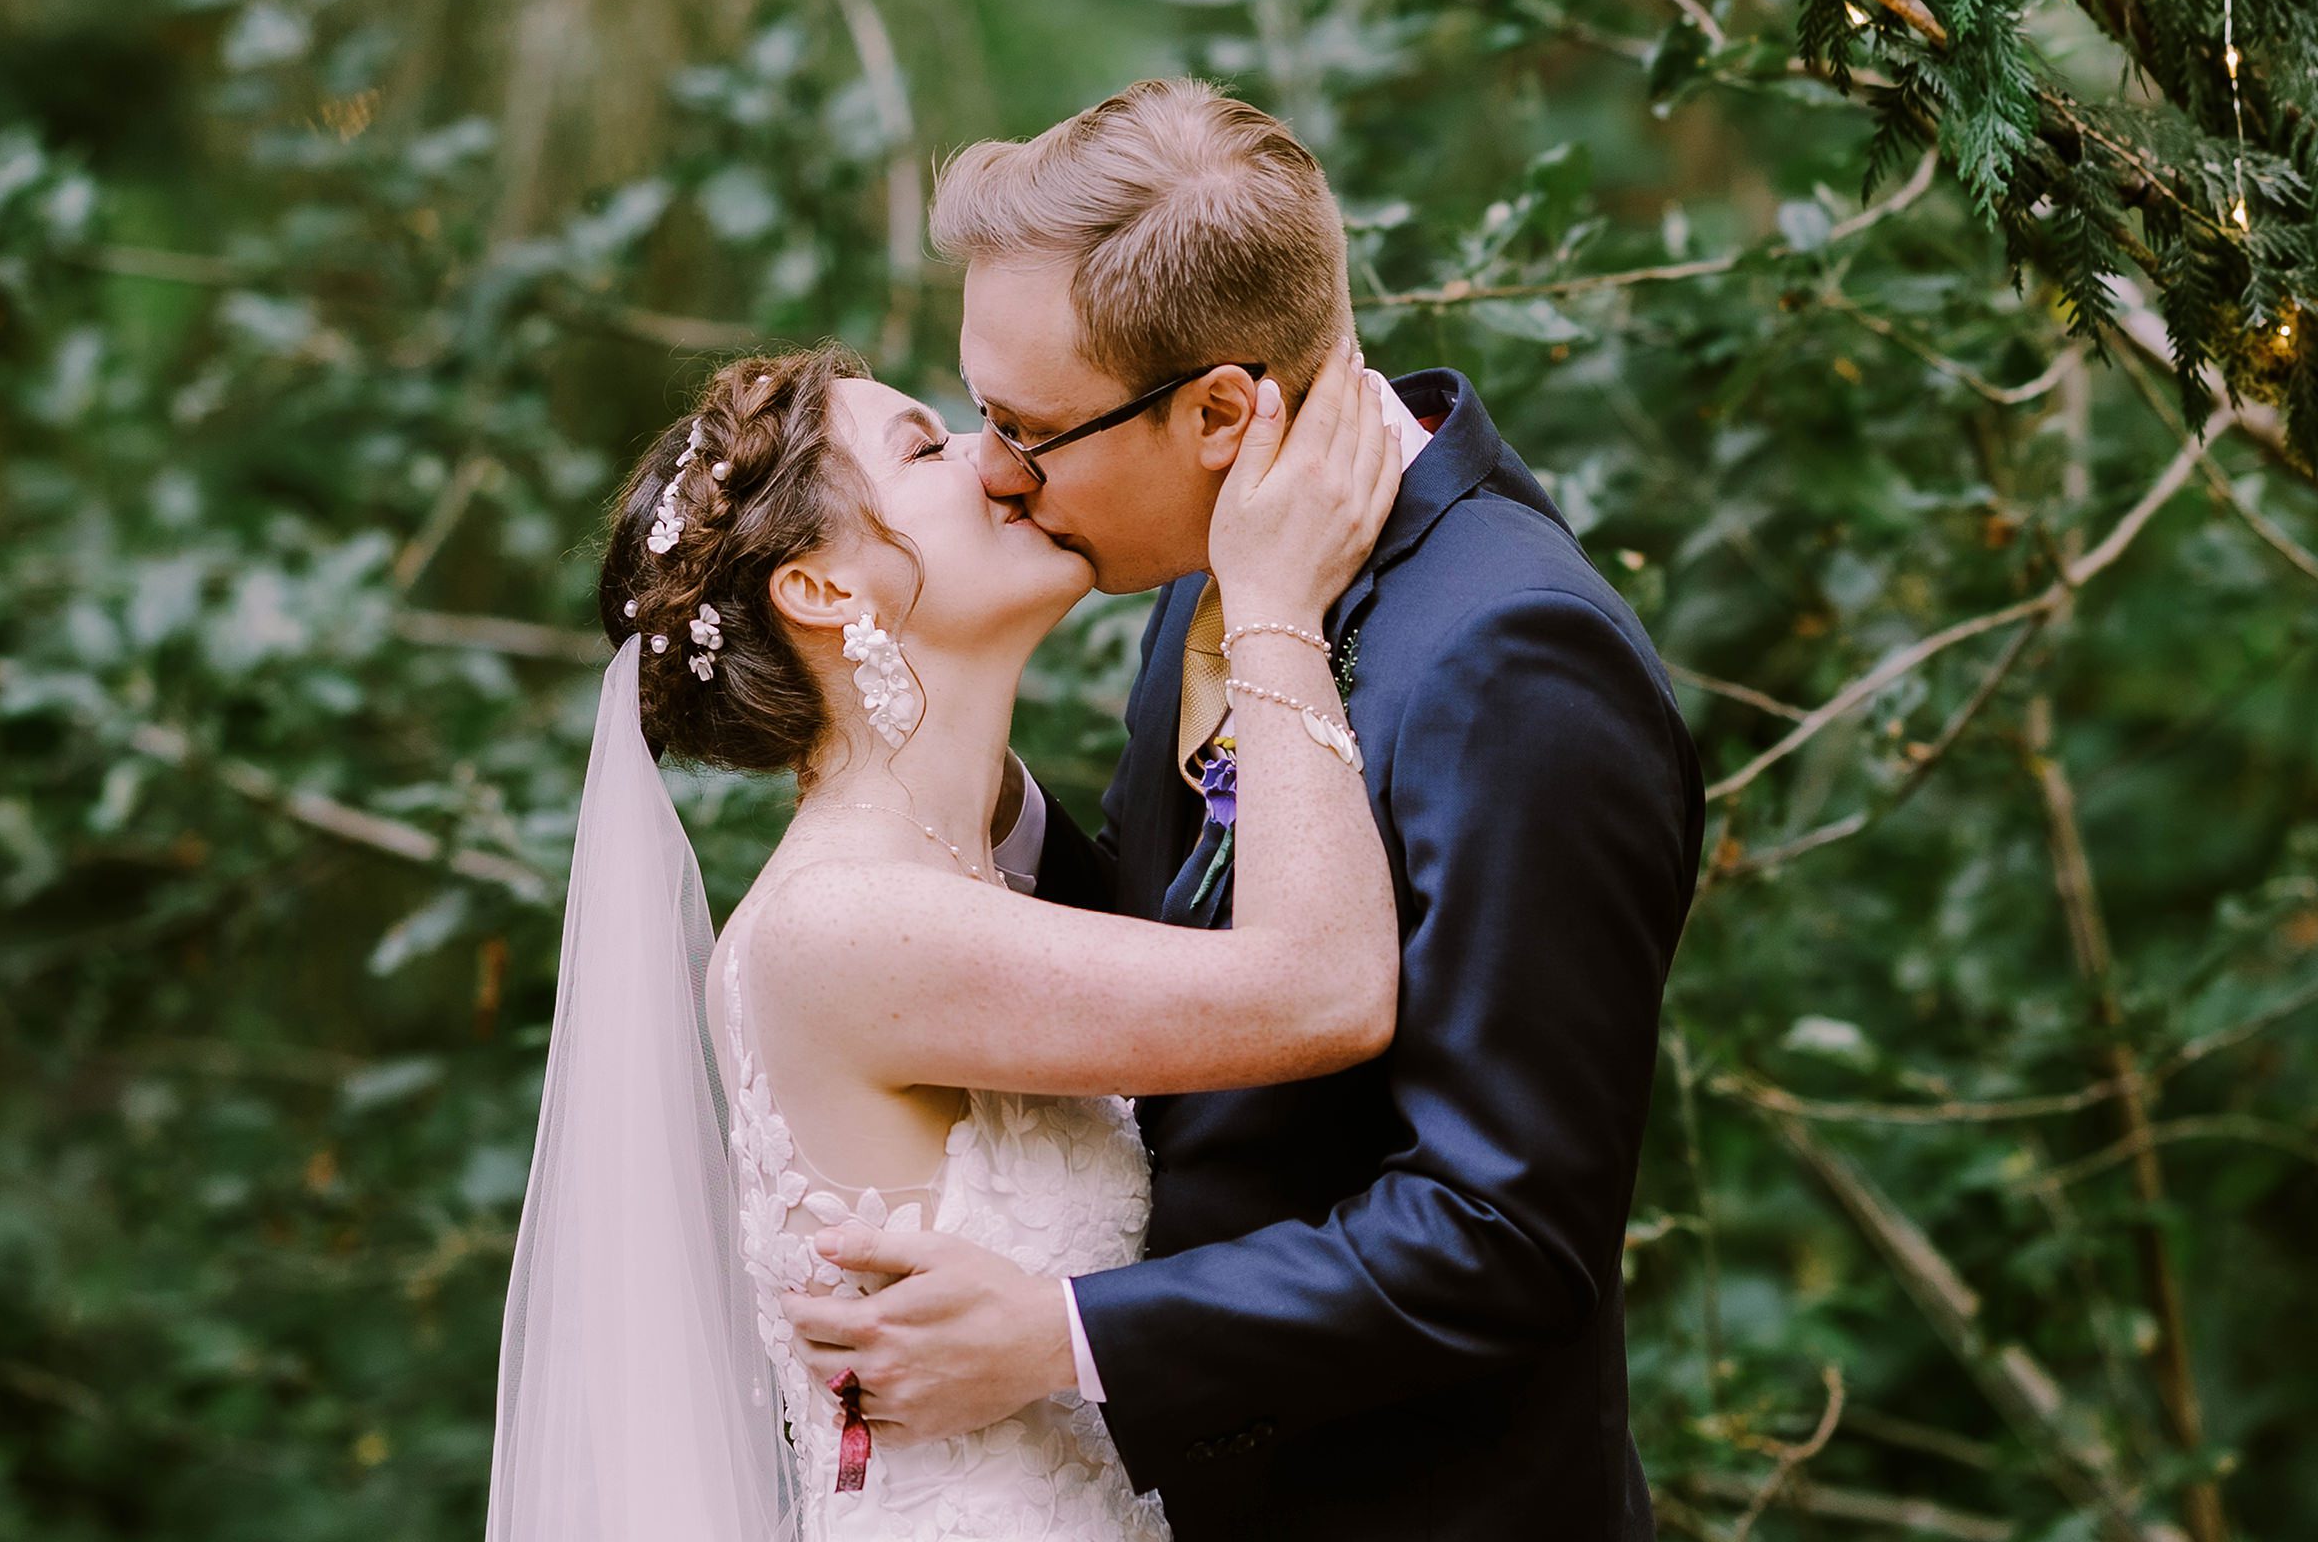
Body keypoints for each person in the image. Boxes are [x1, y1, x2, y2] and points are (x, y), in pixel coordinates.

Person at [778, 78, 1707, 1541]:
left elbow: (1506, 1232)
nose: (998, 475)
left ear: (1218, 409)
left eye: (1028, 428)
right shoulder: (1231, 564)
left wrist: (1063, 1338)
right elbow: (1190, 969)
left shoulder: (1515, 661)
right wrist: (949, 808)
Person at [482, 336, 1406, 1541]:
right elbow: (1325, 990)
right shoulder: (845, 923)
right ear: (822, 591)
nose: (1002, 458)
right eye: (927, 448)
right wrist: (1274, 607)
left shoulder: (950, 880)